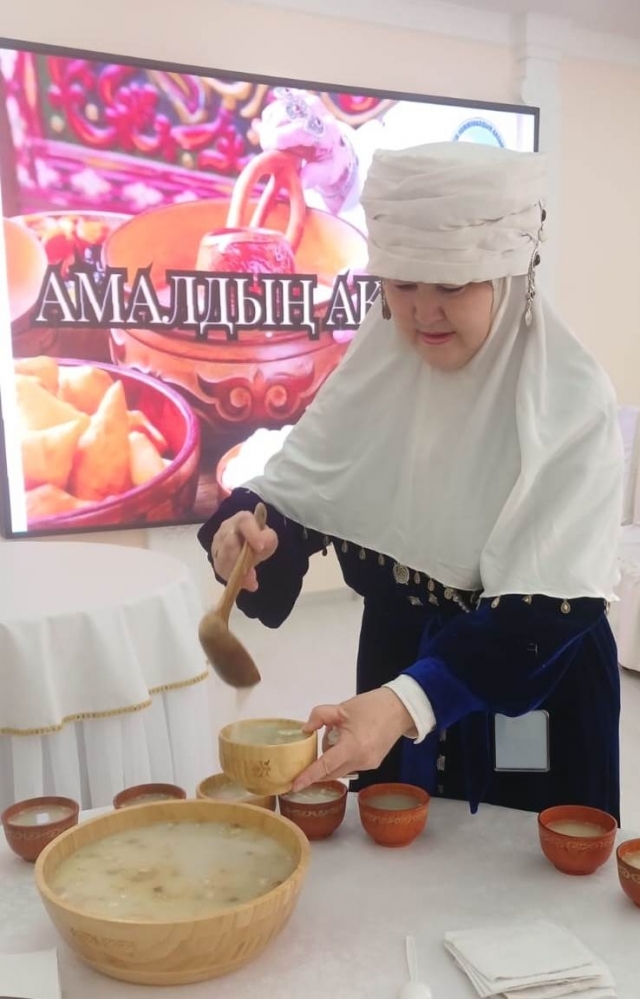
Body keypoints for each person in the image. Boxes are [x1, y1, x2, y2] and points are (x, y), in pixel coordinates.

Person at [198, 141, 624, 820]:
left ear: (509, 278)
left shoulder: (570, 404)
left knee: (514, 870)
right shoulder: (382, 370)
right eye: (401, 285)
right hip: (394, 671)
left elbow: (549, 607)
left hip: (529, 683)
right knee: (399, 856)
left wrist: (408, 702)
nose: (422, 312)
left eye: (451, 286)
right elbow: (302, 494)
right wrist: (248, 538)